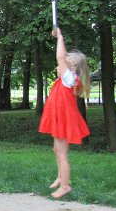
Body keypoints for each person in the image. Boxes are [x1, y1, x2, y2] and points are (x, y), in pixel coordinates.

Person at [38, 27, 91, 199]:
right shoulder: (66, 80)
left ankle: (65, 186)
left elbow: (60, 57)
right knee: (57, 150)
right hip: (60, 119)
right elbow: (61, 59)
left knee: (62, 154)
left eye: (61, 65)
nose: (58, 66)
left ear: (69, 68)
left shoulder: (69, 79)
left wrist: (60, 37)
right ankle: (61, 177)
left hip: (63, 121)